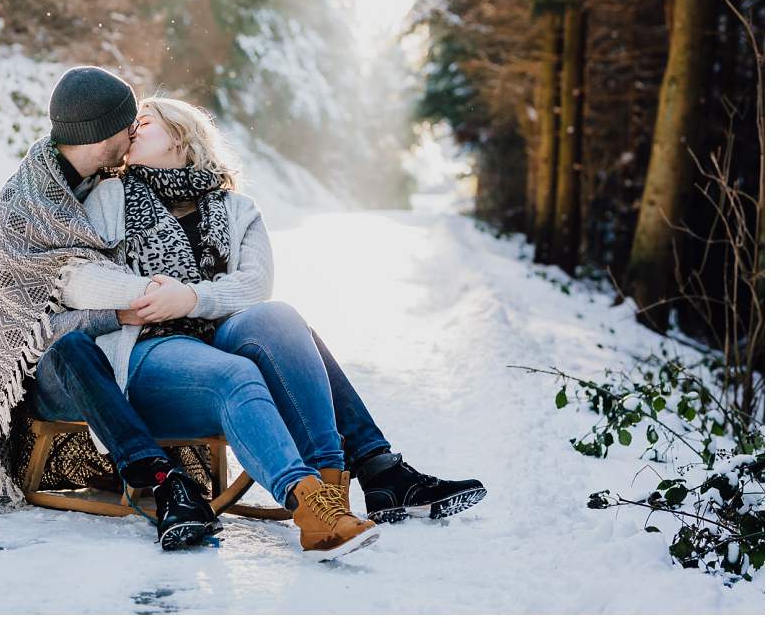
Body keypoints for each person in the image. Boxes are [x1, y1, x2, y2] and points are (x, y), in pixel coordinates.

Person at [49, 96, 487, 558]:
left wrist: (193, 298)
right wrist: (148, 294)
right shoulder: (107, 196)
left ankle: (331, 499)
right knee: (235, 374)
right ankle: (318, 497)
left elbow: (254, 285)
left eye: (144, 121)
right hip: (147, 349)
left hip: (216, 335)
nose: (131, 130)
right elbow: (75, 278)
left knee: (280, 316)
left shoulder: (236, 209)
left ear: (179, 134)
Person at [0, 66, 225, 552]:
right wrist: (119, 315)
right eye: (129, 123)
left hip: (126, 352)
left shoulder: (112, 180)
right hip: (51, 371)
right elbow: (29, 332)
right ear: (104, 132)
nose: (135, 131)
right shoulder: (23, 208)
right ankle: (162, 481)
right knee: (74, 345)